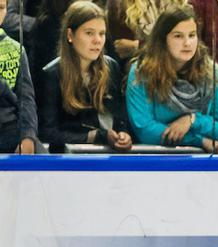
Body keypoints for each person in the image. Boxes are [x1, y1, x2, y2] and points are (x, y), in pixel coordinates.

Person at [126, 5, 218, 152]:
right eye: (178, 36)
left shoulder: (212, 72)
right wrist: (199, 141)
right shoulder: (141, 72)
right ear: (163, 39)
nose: (187, 43)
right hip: (154, 162)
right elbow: (145, 131)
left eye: (192, 35)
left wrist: (192, 120)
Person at [39, 1, 132, 153]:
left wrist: (124, 134)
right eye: (89, 33)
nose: (97, 40)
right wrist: (95, 136)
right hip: (71, 162)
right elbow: (47, 133)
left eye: (102, 33)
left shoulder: (112, 67)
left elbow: (120, 118)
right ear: (70, 35)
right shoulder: (52, 74)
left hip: (111, 157)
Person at [0, 0, 41, 154]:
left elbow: (26, 99)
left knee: (45, 169)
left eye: (1, 8)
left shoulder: (16, 49)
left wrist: (28, 136)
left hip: (9, 129)